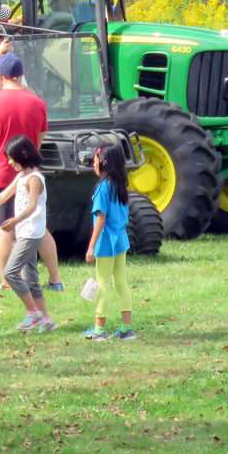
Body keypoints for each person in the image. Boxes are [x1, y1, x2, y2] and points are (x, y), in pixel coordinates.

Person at [0, 53, 62, 291]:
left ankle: (6, 280)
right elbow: (39, 140)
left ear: (0, 76)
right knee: (38, 226)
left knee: (4, 227)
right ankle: (55, 280)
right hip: (29, 174)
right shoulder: (38, 103)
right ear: (22, 74)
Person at [0, 136, 57, 333]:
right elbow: (3, 195)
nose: (10, 163)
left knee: (10, 272)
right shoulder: (22, 177)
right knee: (31, 280)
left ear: (24, 155)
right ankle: (47, 320)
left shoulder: (35, 179)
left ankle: (33, 314)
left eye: (12, 158)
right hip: (24, 232)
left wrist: (14, 220)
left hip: (31, 233)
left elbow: (32, 206)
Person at [83, 144, 135, 341]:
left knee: (103, 284)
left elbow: (101, 218)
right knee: (121, 283)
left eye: (95, 160)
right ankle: (126, 328)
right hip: (121, 239)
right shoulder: (120, 185)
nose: (93, 164)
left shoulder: (103, 187)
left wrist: (91, 246)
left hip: (106, 241)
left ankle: (99, 330)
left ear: (103, 163)